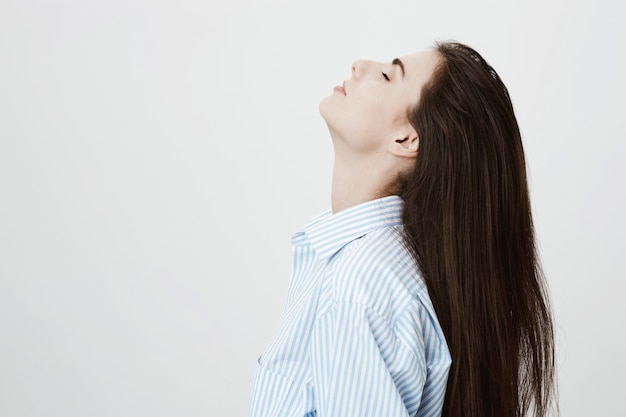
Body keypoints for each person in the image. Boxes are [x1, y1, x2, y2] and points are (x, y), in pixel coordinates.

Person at [246, 41, 556, 417]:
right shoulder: (377, 263)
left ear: (406, 139)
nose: (359, 65)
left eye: (387, 75)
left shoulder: (357, 288)